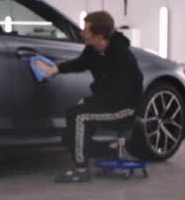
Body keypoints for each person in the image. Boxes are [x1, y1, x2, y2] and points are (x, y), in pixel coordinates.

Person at [35, 11, 143, 183]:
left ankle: (81, 170)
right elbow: (80, 63)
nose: (81, 33)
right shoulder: (93, 49)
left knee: (80, 116)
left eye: (86, 30)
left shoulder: (123, 57)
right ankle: (109, 150)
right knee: (72, 120)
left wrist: (89, 101)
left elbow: (120, 94)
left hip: (125, 108)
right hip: (108, 103)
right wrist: (54, 69)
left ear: (99, 37)